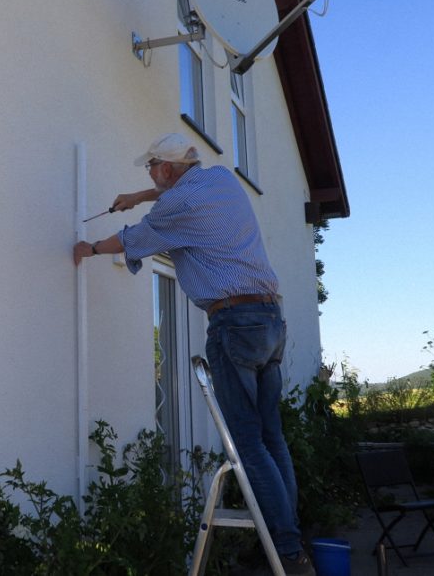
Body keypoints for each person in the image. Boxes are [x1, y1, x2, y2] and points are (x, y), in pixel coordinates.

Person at [73, 132, 314, 575]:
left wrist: (89, 249)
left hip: (233, 323)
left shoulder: (176, 207)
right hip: (269, 320)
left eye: (152, 167)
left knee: (247, 442)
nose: (150, 174)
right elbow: (176, 192)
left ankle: (285, 551)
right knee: (271, 436)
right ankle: (290, 540)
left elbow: (134, 237)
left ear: (166, 168)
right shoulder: (220, 179)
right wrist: (138, 195)